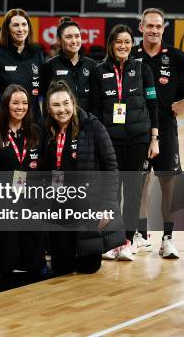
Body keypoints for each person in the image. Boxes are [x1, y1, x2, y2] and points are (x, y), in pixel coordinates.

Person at [132, 8, 184, 258]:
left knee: (168, 186)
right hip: (138, 131)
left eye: (158, 26)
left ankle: (167, 239)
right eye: (149, 26)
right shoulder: (132, 56)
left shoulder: (175, 56)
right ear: (140, 28)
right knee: (140, 184)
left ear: (164, 29)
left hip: (166, 130)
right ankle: (141, 236)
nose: (154, 30)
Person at [89, 24, 159, 261]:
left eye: (127, 42)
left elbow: (153, 106)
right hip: (110, 142)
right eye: (119, 41)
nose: (123, 46)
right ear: (111, 44)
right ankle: (112, 241)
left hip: (139, 140)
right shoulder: (99, 72)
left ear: (132, 44)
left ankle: (128, 241)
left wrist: (154, 139)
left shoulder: (142, 69)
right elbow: (96, 111)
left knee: (132, 193)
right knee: (111, 193)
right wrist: (98, 142)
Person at [44, 80, 122, 274]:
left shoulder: (93, 126)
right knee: (62, 267)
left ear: (73, 102)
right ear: (48, 107)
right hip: (59, 206)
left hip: (87, 206)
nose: (62, 110)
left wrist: (107, 207)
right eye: (55, 105)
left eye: (65, 103)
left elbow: (111, 167)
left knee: (90, 268)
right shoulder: (44, 129)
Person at [0, 84, 46, 275]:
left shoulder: (37, 133)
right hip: (6, 203)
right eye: (15, 103)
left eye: (24, 103)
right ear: (6, 105)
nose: (20, 107)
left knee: (35, 264)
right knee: (6, 264)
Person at [0, 8, 44, 127]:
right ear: (7, 28)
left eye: (24, 24)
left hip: (33, 123)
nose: (21, 29)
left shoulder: (37, 51)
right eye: (16, 25)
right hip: (4, 124)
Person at [41, 17, 97, 112]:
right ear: (59, 40)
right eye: (69, 37)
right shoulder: (49, 66)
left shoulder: (92, 65)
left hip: (87, 124)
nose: (74, 41)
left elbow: (96, 101)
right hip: (60, 122)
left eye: (77, 36)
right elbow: (46, 101)